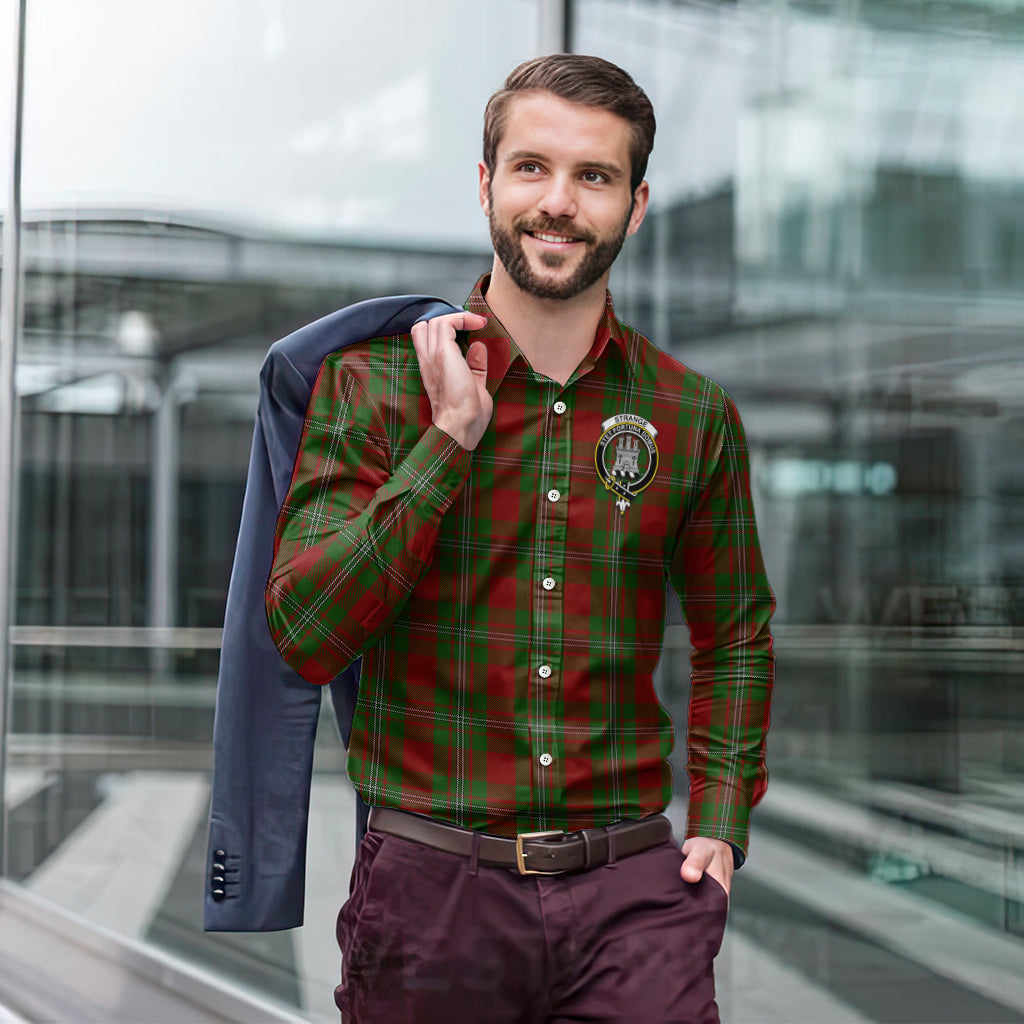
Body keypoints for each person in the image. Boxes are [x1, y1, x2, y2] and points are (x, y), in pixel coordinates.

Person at [265, 53, 775, 1024]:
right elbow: (305, 631)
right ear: (486, 182)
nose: (559, 202)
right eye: (532, 167)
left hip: (634, 897)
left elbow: (734, 632)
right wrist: (449, 438)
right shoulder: (371, 388)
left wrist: (717, 819)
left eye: (595, 176)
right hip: (432, 896)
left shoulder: (692, 414)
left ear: (636, 203)